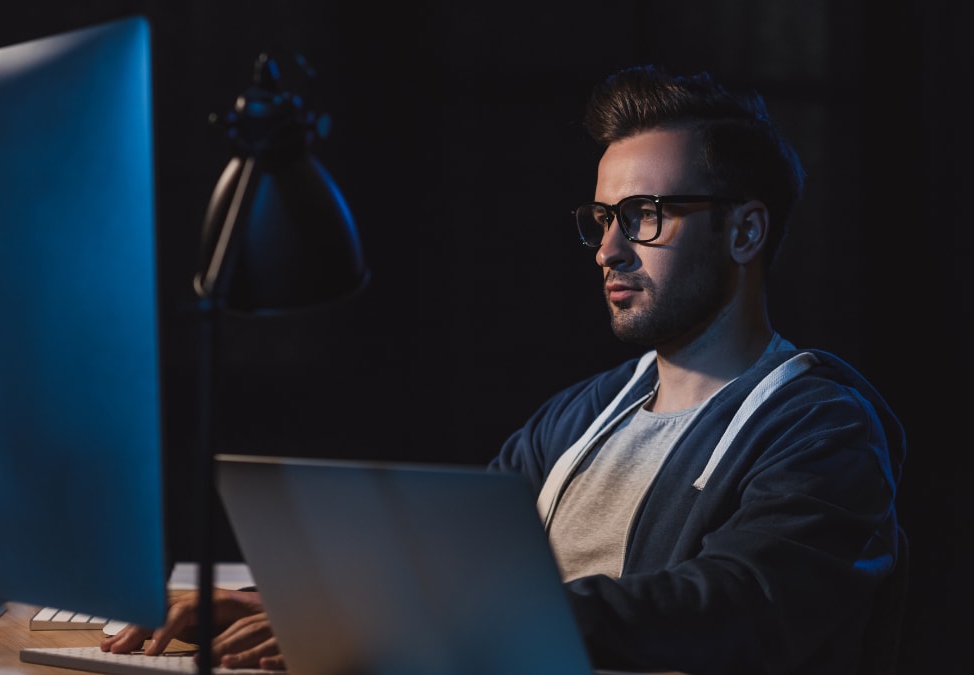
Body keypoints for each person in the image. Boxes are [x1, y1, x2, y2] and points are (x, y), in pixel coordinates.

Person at [102, 64, 906, 675]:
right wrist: (307, 602)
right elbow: (453, 560)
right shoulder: (580, 416)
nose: (608, 249)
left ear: (745, 233)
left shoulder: (822, 431)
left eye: (645, 216)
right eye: (601, 218)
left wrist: (403, 611)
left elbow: (730, 606)